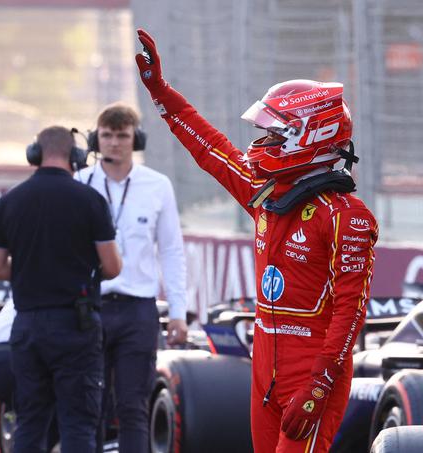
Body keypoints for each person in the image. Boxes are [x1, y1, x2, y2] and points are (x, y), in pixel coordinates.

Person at [134, 29, 378, 453]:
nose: (260, 143)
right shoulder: (268, 198)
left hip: (312, 373)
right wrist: (160, 91)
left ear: (309, 137)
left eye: (273, 134)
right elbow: (211, 148)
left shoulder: (346, 218)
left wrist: (319, 387)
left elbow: (350, 313)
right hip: (264, 369)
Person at [0, 125, 122, 453]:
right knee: (78, 423)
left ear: (35, 154)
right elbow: (113, 266)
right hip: (76, 326)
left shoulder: (11, 201)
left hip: (28, 326)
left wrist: (35, 267)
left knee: (30, 422)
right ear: (75, 157)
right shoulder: (90, 200)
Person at [76, 102, 188, 453]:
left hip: (138, 310)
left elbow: (171, 251)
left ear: (135, 139)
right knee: (88, 407)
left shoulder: (157, 185)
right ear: (96, 138)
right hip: (89, 308)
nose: (113, 143)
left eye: (122, 135)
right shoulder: (80, 182)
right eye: (106, 135)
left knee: (133, 407)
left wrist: (180, 313)